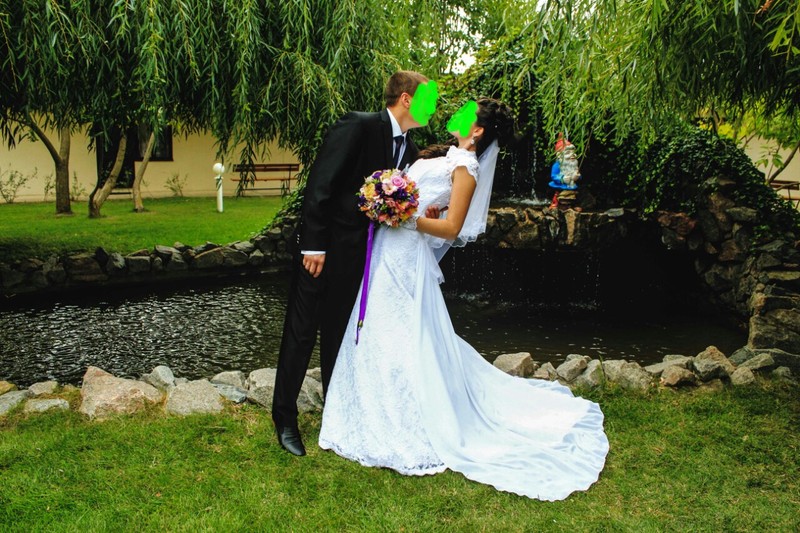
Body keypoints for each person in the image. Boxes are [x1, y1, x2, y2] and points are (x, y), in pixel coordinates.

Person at [319, 98, 609, 500]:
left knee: (398, 333)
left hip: (406, 254)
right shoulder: (441, 155)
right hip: (388, 249)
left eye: (465, 114)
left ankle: (403, 421)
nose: (456, 115)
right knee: (379, 331)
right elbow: (428, 204)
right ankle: (365, 410)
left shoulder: (466, 168)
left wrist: (403, 216)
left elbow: (452, 228)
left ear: (478, 131)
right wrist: (390, 203)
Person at [273, 71, 431, 456]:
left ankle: (336, 411)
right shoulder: (359, 126)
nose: (433, 108)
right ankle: (284, 418)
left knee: (339, 334)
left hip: (361, 256)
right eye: (428, 100)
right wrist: (313, 245)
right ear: (407, 99)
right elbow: (321, 184)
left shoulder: (409, 149)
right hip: (322, 251)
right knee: (301, 332)